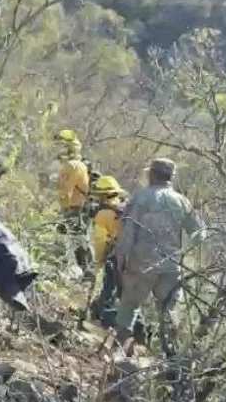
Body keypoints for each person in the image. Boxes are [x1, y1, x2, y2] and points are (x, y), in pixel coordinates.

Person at [112, 157, 205, 354]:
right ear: (171, 177)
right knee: (168, 314)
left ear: (152, 174)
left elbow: (128, 231)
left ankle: (117, 352)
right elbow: (200, 232)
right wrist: (183, 253)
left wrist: (121, 257)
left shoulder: (140, 198)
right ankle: (169, 359)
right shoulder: (182, 201)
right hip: (170, 266)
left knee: (129, 306)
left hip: (140, 264)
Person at [87, 175, 127, 327]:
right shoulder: (125, 206)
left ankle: (104, 322)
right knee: (126, 294)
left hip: (115, 256)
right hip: (133, 256)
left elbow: (100, 242)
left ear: (103, 195)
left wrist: (98, 263)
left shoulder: (103, 214)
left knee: (108, 288)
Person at [53, 131, 93, 278]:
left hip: (73, 210)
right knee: (78, 244)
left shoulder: (72, 166)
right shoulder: (74, 165)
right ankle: (85, 273)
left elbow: (64, 191)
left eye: (59, 145)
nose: (56, 148)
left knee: (77, 244)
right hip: (75, 209)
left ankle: (87, 274)